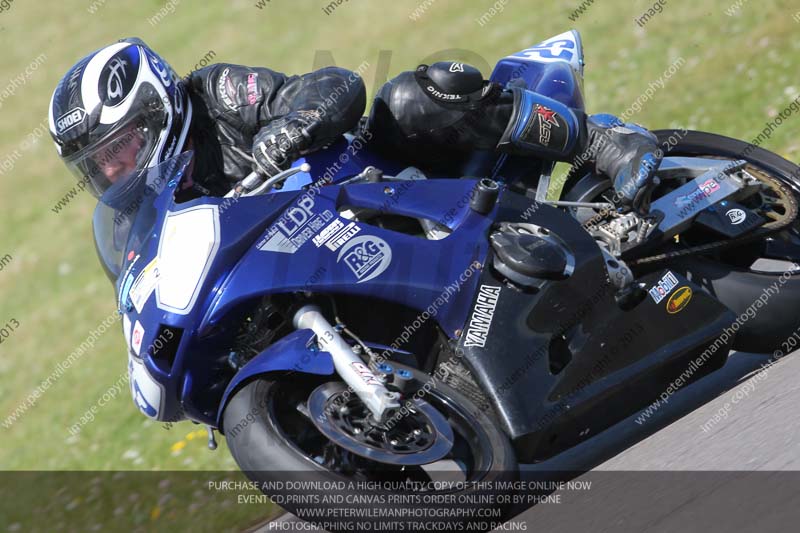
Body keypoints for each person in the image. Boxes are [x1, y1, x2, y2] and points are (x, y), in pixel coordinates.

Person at [48, 37, 661, 212]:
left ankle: (606, 142)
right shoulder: (150, 213)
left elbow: (334, 85)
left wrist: (295, 126)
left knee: (409, 99)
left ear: (157, 109)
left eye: (121, 146)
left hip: (371, 179)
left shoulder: (214, 96)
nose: (114, 170)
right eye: (97, 164)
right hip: (312, 254)